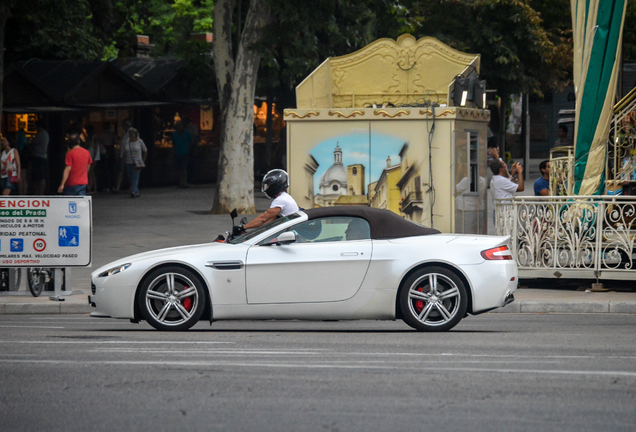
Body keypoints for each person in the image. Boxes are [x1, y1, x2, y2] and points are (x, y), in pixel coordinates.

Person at [58, 129, 92, 196]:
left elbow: (67, 169)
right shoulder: (87, 152)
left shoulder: (70, 154)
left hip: (71, 183)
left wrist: (62, 184)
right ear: (79, 141)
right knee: (81, 204)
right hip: (83, 182)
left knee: (70, 203)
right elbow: (88, 166)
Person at [120, 128, 147, 198]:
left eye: (133, 134)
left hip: (137, 162)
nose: (131, 135)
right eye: (130, 134)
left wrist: (143, 161)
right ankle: (136, 191)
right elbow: (123, 153)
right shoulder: (126, 142)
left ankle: (133, 191)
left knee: (135, 177)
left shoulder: (140, 141)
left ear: (136, 135)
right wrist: (122, 163)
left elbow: (145, 150)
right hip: (128, 162)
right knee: (130, 177)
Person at [171, 121, 192, 187]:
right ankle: (180, 181)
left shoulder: (187, 133)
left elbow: (191, 142)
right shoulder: (174, 134)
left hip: (185, 152)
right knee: (179, 168)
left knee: (184, 168)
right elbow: (173, 143)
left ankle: (184, 181)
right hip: (177, 152)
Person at [99, 122, 118, 192]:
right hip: (110, 150)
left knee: (106, 169)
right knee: (111, 169)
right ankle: (112, 186)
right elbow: (116, 141)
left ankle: (107, 186)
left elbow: (100, 142)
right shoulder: (111, 134)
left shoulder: (103, 134)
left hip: (106, 150)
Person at [31, 120, 49, 195]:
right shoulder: (46, 135)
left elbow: (33, 143)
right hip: (43, 156)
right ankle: (40, 192)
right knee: (41, 176)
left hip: (38, 157)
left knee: (39, 176)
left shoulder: (40, 135)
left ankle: (39, 192)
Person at [86, 125, 101, 194]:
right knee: (91, 173)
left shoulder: (94, 138)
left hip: (93, 157)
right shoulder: (92, 138)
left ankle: (92, 188)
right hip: (92, 157)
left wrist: (94, 158)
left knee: (91, 172)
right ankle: (92, 188)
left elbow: (95, 149)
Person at [15, 126, 29, 195]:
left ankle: (20, 193)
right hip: (25, 160)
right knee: (24, 178)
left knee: (20, 176)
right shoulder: (26, 144)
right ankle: (25, 193)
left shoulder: (18, 145)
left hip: (20, 159)